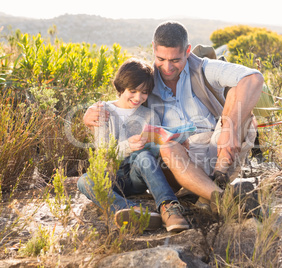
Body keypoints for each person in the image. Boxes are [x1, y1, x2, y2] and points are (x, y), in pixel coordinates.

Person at [83, 21, 264, 213]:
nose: (167, 67)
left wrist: (231, 128)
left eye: (175, 60)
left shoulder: (204, 68)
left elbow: (253, 77)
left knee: (238, 95)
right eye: (161, 59)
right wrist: (92, 111)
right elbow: (128, 98)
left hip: (221, 149)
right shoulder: (147, 80)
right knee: (167, 148)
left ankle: (214, 183)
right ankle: (222, 199)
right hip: (178, 160)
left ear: (187, 50)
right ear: (153, 48)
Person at [77, 57, 189, 232]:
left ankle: (168, 208)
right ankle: (131, 209)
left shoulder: (149, 115)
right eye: (133, 91)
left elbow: (154, 154)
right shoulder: (102, 111)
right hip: (110, 176)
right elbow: (104, 154)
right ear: (121, 87)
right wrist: (128, 145)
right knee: (84, 181)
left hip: (137, 176)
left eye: (144, 92)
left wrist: (172, 142)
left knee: (144, 155)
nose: (139, 97)